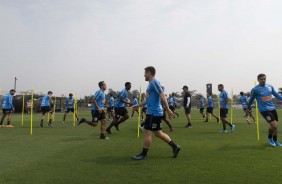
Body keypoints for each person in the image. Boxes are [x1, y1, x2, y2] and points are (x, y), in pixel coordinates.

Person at [132, 66, 180, 160]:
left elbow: (162, 96)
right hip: (153, 112)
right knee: (158, 133)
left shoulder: (154, 82)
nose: (144, 75)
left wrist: (168, 110)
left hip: (154, 113)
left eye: (145, 73)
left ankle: (144, 154)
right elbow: (147, 100)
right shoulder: (150, 84)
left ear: (149, 72)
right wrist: (138, 105)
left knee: (147, 132)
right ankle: (175, 147)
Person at [248, 74, 282, 147]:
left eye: (264, 79)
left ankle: (276, 141)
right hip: (264, 110)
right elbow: (251, 99)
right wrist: (248, 106)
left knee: (275, 126)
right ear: (258, 80)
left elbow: (277, 95)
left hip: (272, 108)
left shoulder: (270, 86)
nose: (263, 80)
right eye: (261, 79)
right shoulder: (255, 89)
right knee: (274, 125)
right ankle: (270, 138)